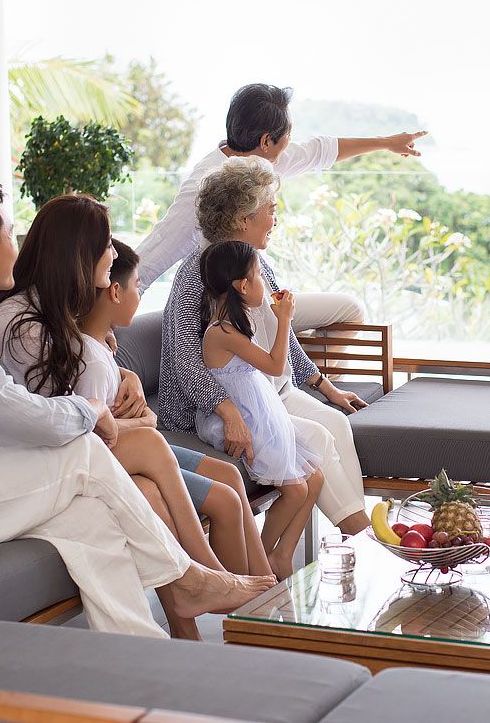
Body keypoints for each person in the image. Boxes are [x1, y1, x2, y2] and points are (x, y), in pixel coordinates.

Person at [0, 180, 272, 640]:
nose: (15, 245)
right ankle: (188, 581)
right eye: (9, 234)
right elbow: (30, 417)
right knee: (83, 455)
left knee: (91, 520)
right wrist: (92, 409)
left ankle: (146, 653)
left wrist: (102, 397)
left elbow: (16, 407)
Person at [0, 197, 272, 587]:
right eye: (106, 247)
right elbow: (65, 410)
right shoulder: (19, 325)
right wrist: (131, 406)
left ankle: (262, 596)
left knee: (225, 477)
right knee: (154, 474)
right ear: (79, 255)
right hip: (49, 452)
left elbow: (83, 370)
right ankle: (208, 580)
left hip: (83, 437)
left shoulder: (54, 309)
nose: (113, 253)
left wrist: (125, 374)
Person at [159, 157, 372, 536]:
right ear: (244, 219)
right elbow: (186, 362)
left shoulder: (257, 264)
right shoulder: (196, 274)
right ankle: (361, 536)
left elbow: (283, 339)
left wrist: (327, 387)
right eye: (271, 209)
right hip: (231, 403)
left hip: (268, 389)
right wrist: (228, 413)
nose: (276, 217)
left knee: (337, 422)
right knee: (319, 440)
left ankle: (356, 537)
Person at [136, 82, 426, 334]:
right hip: (234, 310)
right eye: (287, 135)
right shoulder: (205, 186)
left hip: (262, 293)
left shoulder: (262, 160)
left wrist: (388, 143)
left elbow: (320, 150)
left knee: (322, 319)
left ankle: (311, 383)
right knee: (351, 309)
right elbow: (148, 263)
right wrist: (101, 331)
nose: (290, 144)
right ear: (265, 141)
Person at [199, 241, 324, 579]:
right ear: (242, 286)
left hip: (259, 410)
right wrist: (285, 320)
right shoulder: (220, 332)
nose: (262, 285)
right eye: (257, 277)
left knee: (315, 480)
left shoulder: (234, 325)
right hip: (249, 418)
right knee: (296, 488)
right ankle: (261, 559)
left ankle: (281, 555)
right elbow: (274, 364)